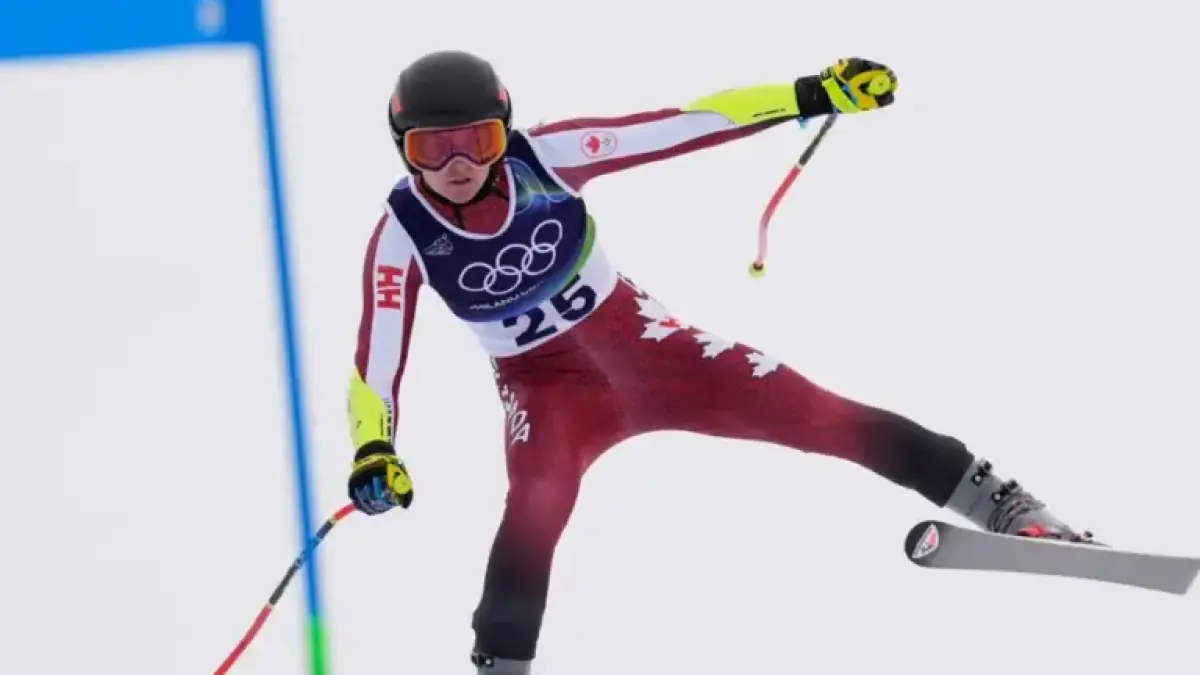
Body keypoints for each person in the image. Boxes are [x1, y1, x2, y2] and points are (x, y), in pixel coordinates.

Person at [344, 50, 1094, 674]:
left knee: (814, 412)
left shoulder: (548, 157)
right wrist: (374, 448)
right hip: (548, 394)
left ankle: (1006, 508)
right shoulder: (402, 234)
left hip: (651, 351)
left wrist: (810, 93)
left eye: (477, 140)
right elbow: (376, 362)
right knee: (535, 505)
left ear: (504, 132)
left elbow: (688, 124)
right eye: (431, 149)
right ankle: (502, 662)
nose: (457, 164)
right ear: (402, 149)